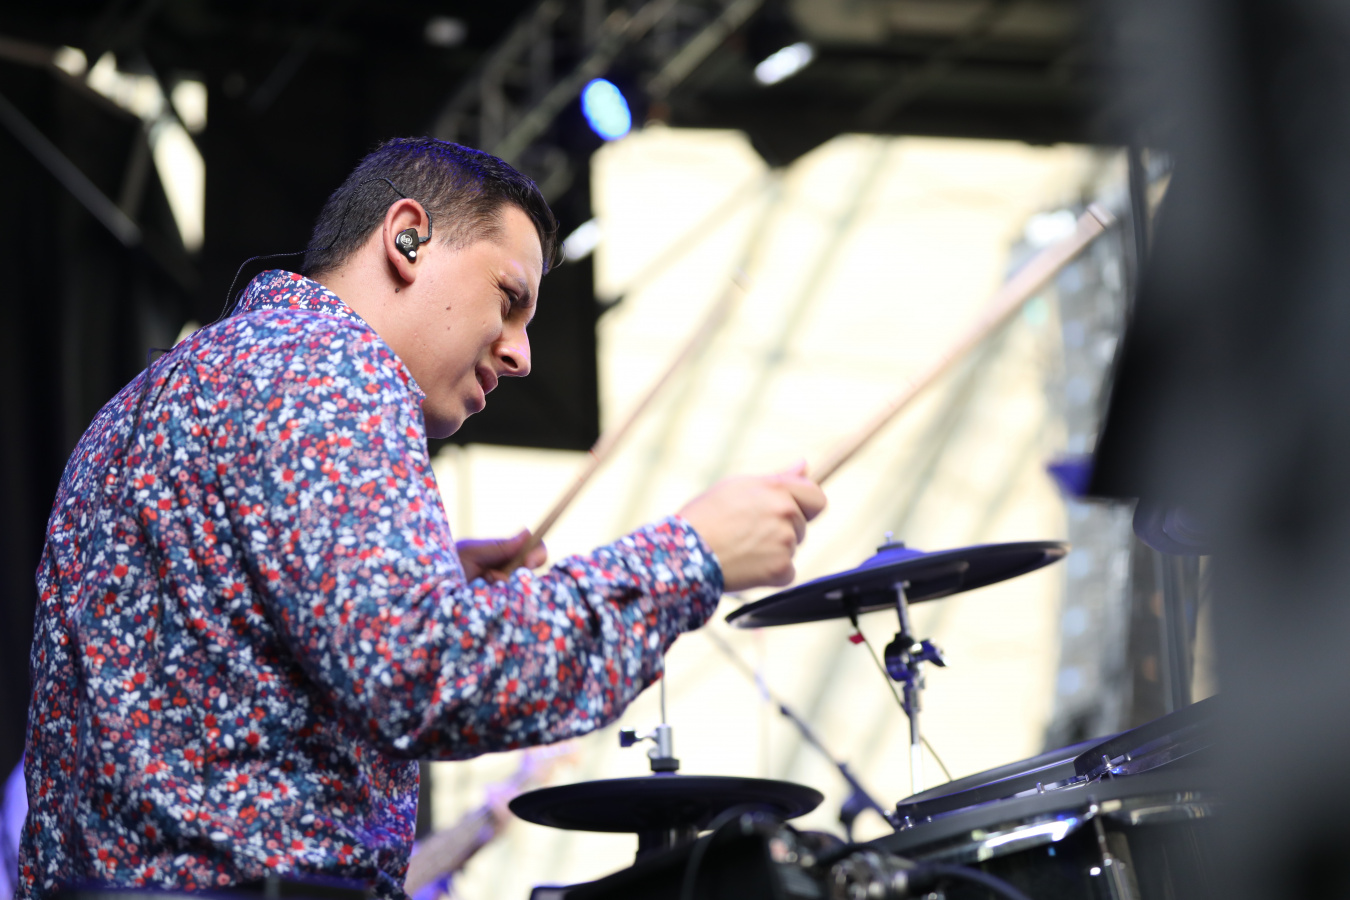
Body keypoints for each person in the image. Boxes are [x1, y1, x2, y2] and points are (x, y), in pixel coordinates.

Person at [19, 138, 826, 899]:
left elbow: (217, 657)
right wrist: (689, 557)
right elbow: (420, 670)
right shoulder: (329, 365)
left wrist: (419, 572)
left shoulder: (155, 395)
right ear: (407, 239)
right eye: (509, 300)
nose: (522, 354)